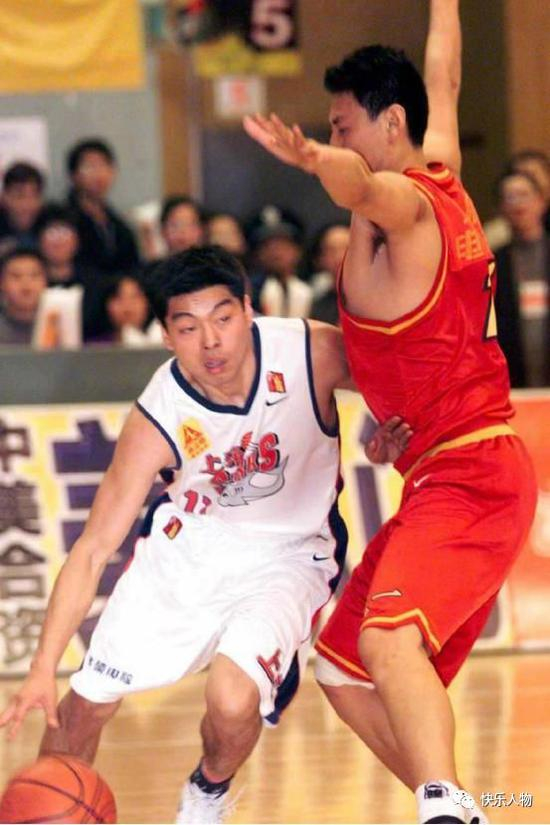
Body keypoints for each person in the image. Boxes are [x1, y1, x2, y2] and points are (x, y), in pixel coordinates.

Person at [244, 1, 537, 822]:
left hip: (472, 473)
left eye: (342, 126)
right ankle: (459, 806)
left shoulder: (403, 201)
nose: (333, 136)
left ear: (389, 124)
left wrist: (315, 161)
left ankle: (442, 809)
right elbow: (444, 72)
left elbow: (362, 182)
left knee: (385, 639)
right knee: (341, 664)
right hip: (446, 464)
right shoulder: (442, 165)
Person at [0, 245, 411, 824]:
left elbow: (402, 380)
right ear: (166, 335)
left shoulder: (309, 351)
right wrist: (44, 666)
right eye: (189, 327)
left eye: (222, 318)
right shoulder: (158, 413)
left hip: (290, 555)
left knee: (232, 698)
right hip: (188, 549)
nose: (211, 341)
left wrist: (390, 439)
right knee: (84, 706)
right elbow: (92, 550)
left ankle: (207, 792)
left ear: (248, 309)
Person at [493, 170, 550, 387]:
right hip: (514, 380)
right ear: (501, 208)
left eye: (524, 195)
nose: (518, 204)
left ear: (541, 201)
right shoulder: (495, 262)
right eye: (510, 197)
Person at [66, 138, 140, 274]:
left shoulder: (119, 224)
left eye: (104, 165)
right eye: (90, 167)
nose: (99, 174)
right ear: (74, 175)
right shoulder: (65, 220)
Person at [246, 204, 311, 317]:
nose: (275, 253)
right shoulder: (248, 292)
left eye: (283, 245)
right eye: (267, 246)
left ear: (298, 250)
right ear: (256, 254)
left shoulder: (314, 291)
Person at [0, 248, 48, 346]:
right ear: (2, 283)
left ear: (46, 281)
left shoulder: (61, 324)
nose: (26, 284)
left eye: (34, 275)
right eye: (16, 276)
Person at [307, 222, 351, 326]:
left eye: (346, 248)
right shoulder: (318, 307)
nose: (339, 257)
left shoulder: (376, 300)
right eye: (331, 250)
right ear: (321, 259)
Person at [0, 162, 46, 256]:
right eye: (19, 196)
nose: (27, 204)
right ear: (4, 197)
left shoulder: (49, 224)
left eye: (34, 196)